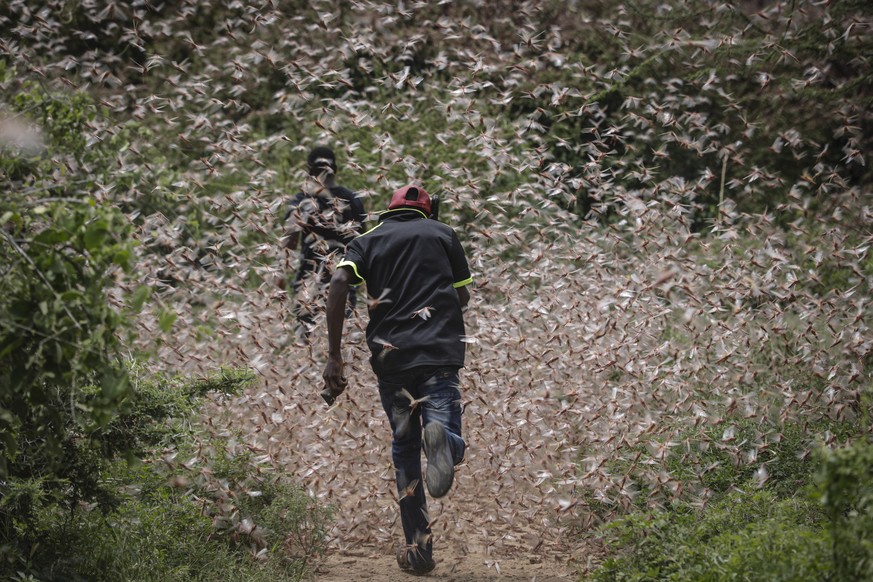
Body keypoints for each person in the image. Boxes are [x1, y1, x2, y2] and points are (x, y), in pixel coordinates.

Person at [322, 184, 473, 575]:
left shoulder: (368, 240)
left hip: (393, 361)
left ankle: (419, 551)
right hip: (439, 354)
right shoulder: (442, 234)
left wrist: (335, 357)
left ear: (389, 211)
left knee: (404, 449)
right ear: (427, 210)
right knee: (443, 430)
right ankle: (445, 441)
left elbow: (338, 284)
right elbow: (463, 297)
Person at [282, 146, 366, 339]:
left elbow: (290, 244)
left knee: (307, 338)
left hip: (309, 280)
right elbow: (363, 242)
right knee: (342, 336)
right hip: (344, 278)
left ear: (309, 171)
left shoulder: (302, 200)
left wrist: (281, 275)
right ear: (335, 169)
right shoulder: (352, 199)